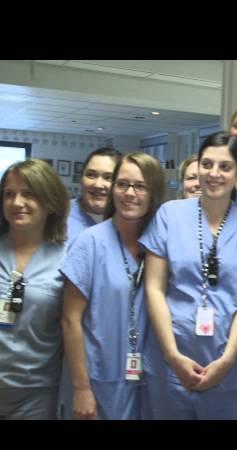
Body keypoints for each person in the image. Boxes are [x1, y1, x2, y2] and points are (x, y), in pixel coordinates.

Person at [141, 132, 237, 420]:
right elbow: (154, 289)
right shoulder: (170, 215)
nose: (214, 174)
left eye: (225, 167)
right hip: (169, 360)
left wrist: (227, 362)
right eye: (207, 164)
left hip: (227, 364)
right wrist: (172, 356)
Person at [60, 152, 165, 420]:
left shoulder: (161, 245)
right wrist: (81, 388)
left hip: (149, 381)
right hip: (98, 379)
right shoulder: (90, 242)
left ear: (153, 192)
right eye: (122, 184)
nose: (129, 193)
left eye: (140, 186)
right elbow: (70, 320)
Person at [0, 159, 69, 419]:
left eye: (28, 193)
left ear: (49, 200)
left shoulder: (68, 257)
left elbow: (73, 326)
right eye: (9, 194)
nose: (17, 203)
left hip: (36, 393)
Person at [67, 147, 121, 246]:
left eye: (108, 177)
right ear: (81, 179)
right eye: (91, 175)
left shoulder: (126, 222)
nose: (98, 185)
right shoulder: (59, 214)